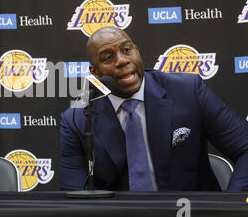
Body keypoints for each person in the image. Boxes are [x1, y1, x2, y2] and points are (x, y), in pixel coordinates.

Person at [60, 26, 248, 192]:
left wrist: (228, 209)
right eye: (108, 57)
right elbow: (75, 195)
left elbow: (245, 148)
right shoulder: (77, 119)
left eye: (126, 50)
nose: (122, 60)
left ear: (137, 52)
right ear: (95, 73)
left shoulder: (188, 92)